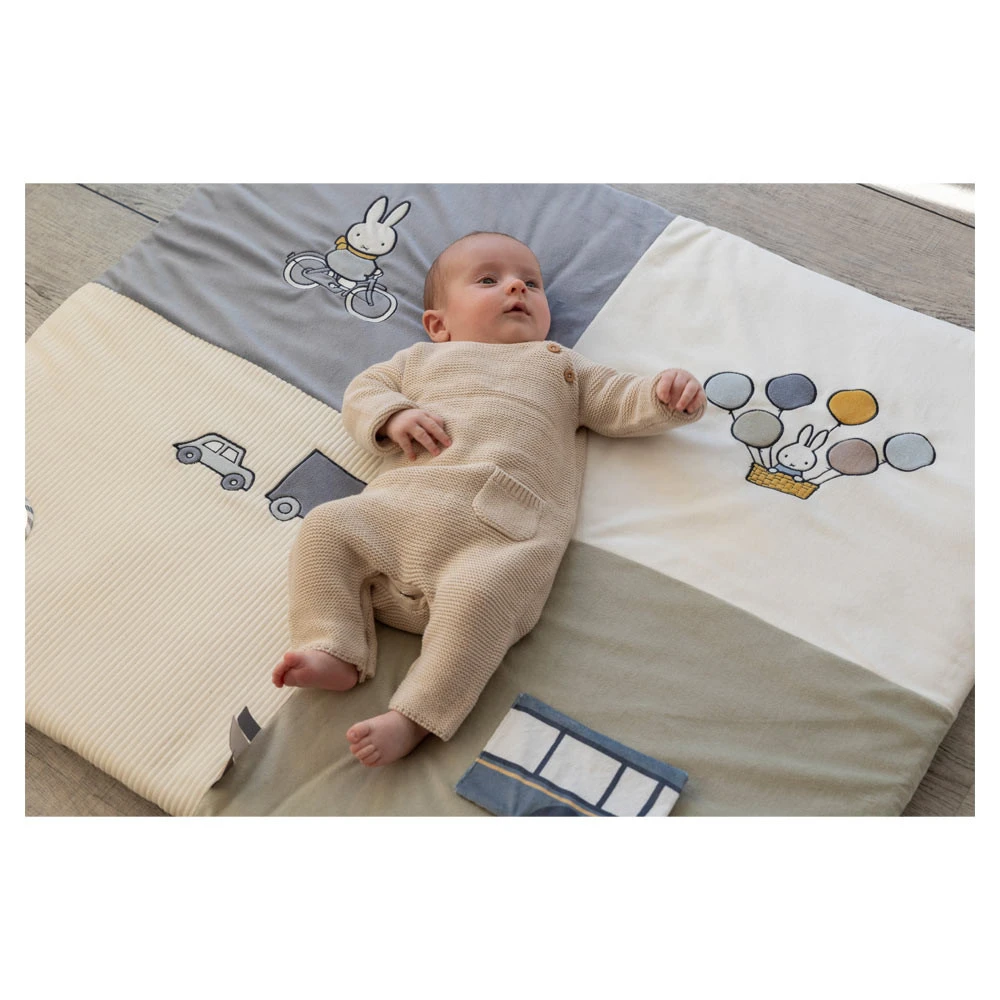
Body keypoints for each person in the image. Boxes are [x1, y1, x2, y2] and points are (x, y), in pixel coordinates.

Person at [271, 231, 706, 766]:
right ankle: (332, 644)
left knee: (483, 602)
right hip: (399, 509)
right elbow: (363, 392)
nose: (517, 288)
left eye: (531, 283)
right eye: (488, 280)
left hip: (497, 537)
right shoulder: (418, 360)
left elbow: (620, 400)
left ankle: (414, 716)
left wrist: (664, 395)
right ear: (439, 325)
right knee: (326, 526)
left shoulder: (562, 366)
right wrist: (394, 415)